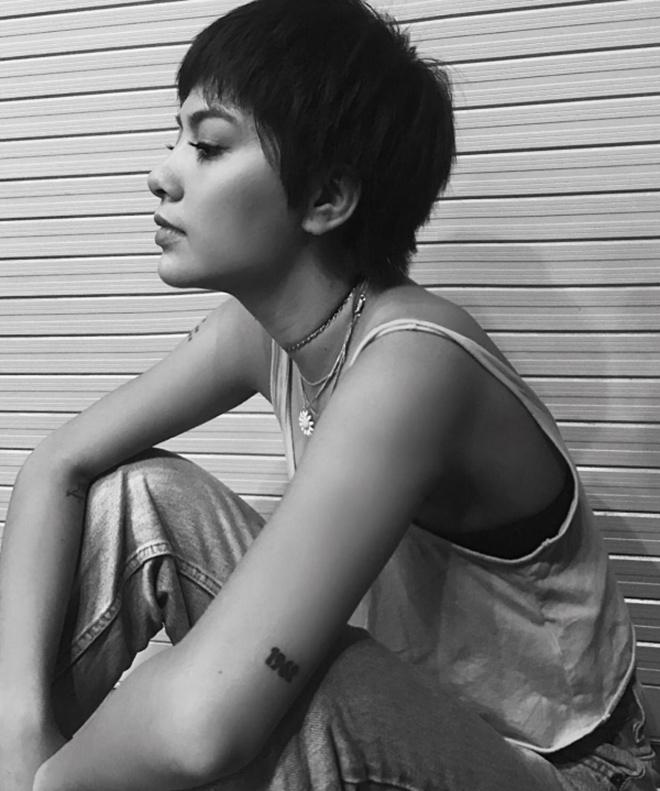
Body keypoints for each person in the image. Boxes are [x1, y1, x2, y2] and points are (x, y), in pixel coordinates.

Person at [0, 0, 656, 788]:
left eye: (206, 146)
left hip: (566, 767)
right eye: (175, 138)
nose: (161, 173)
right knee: (137, 496)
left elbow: (200, 726)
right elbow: (58, 463)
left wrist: (49, 781)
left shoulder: (415, 362)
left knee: (292, 690)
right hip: (416, 711)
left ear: (325, 199)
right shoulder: (261, 333)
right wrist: (20, 729)